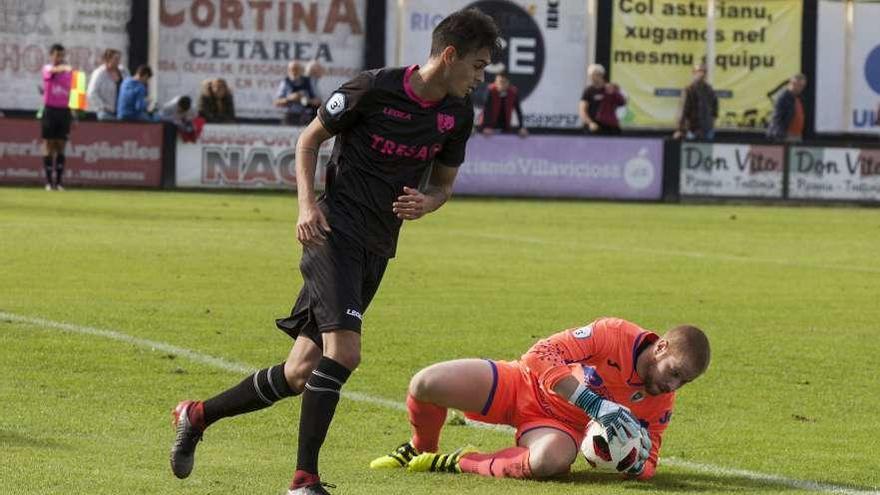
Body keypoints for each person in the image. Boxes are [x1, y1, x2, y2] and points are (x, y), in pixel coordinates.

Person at [169, 8, 500, 494]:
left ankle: (197, 414)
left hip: (377, 246)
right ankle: (304, 480)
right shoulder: (373, 88)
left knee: (300, 371)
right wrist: (306, 207)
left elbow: (444, 184)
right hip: (332, 233)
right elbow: (308, 141)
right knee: (344, 352)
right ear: (448, 55)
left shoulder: (457, 114)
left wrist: (428, 202)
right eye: (476, 65)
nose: (480, 78)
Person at [371, 317, 710, 482]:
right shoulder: (614, 334)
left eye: (684, 382)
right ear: (661, 347)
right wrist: (592, 403)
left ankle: (456, 462)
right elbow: (540, 353)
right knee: (426, 383)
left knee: (550, 462)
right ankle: (421, 447)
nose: (673, 386)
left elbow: (651, 457)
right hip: (521, 382)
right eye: (674, 372)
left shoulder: (660, 400)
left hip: (556, 426)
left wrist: (636, 465)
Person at [40, 43, 73, 191]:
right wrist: (63, 67)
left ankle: (59, 183)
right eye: (57, 55)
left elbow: (75, 91)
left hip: (64, 111)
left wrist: (75, 111)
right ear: (51, 55)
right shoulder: (48, 69)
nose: (60, 58)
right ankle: (48, 182)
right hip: (50, 111)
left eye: (62, 55)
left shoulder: (68, 73)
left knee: (61, 145)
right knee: (48, 144)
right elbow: (52, 70)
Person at [673, 63, 718, 140]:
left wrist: (710, 124)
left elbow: (715, 110)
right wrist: (680, 129)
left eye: (703, 72)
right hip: (692, 130)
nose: (701, 74)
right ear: (694, 74)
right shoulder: (689, 90)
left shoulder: (710, 90)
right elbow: (683, 111)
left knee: (707, 151)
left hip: (707, 131)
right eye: (699, 72)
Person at [578, 64, 626, 135]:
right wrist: (590, 123)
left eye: (594, 75)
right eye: (590, 76)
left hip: (610, 126)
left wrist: (614, 93)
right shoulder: (589, 91)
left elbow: (622, 102)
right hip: (594, 127)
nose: (592, 78)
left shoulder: (610, 88)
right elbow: (582, 111)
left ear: (601, 75)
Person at [478, 71, 528, 137]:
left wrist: (521, 127)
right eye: (498, 82)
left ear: (508, 83)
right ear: (495, 82)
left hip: (505, 125)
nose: (500, 84)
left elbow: (518, 111)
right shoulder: (490, 90)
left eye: (503, 82)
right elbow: (486, 109)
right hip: (487, 125)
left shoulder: (513, 92)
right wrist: (487, 126)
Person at [86, 48, 129, 121]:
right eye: (116, 59)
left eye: (119, 59)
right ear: (108, 59)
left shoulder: (124, 71)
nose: (118, 61)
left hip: (122, 111)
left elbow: (129, 88)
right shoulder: (99, 73)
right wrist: (103, 106)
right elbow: (91, 93)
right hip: (106, 112)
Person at [767, 74, 808, 142]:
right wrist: (780, 135)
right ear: (792, 84)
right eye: (799, 85)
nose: (801, 88)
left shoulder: (798, 97)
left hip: (797, 135)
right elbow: (777, 117)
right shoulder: (783, 98)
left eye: (803, 86)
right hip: (786, 136)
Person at [275, 61, 317, 125]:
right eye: (292, 69)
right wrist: (290, 98)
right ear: (288, 71)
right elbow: (277, 102)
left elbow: (318, 102)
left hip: (306, 116)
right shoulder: (286, 82)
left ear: (301, 70)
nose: (294, 72)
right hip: (290, 116)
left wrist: (306, 101)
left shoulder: (309, 82)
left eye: (296, 69)